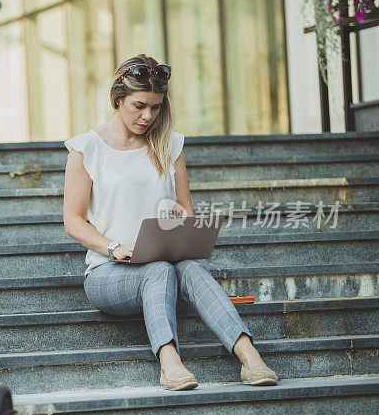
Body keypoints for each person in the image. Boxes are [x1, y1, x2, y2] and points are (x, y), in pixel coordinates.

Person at [62, 54, 278, 391]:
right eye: (139, 106)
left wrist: (182, 232)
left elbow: (185, 211)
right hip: (107, 273)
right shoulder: (87, 147)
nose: (148, 115)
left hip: (163, 262)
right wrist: (114, 247)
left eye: (156, 107)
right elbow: (73, 221)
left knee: (188, 268)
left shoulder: (169, 144)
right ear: (118, 99)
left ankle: (250, 358)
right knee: (160, 270)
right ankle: (170, 362)